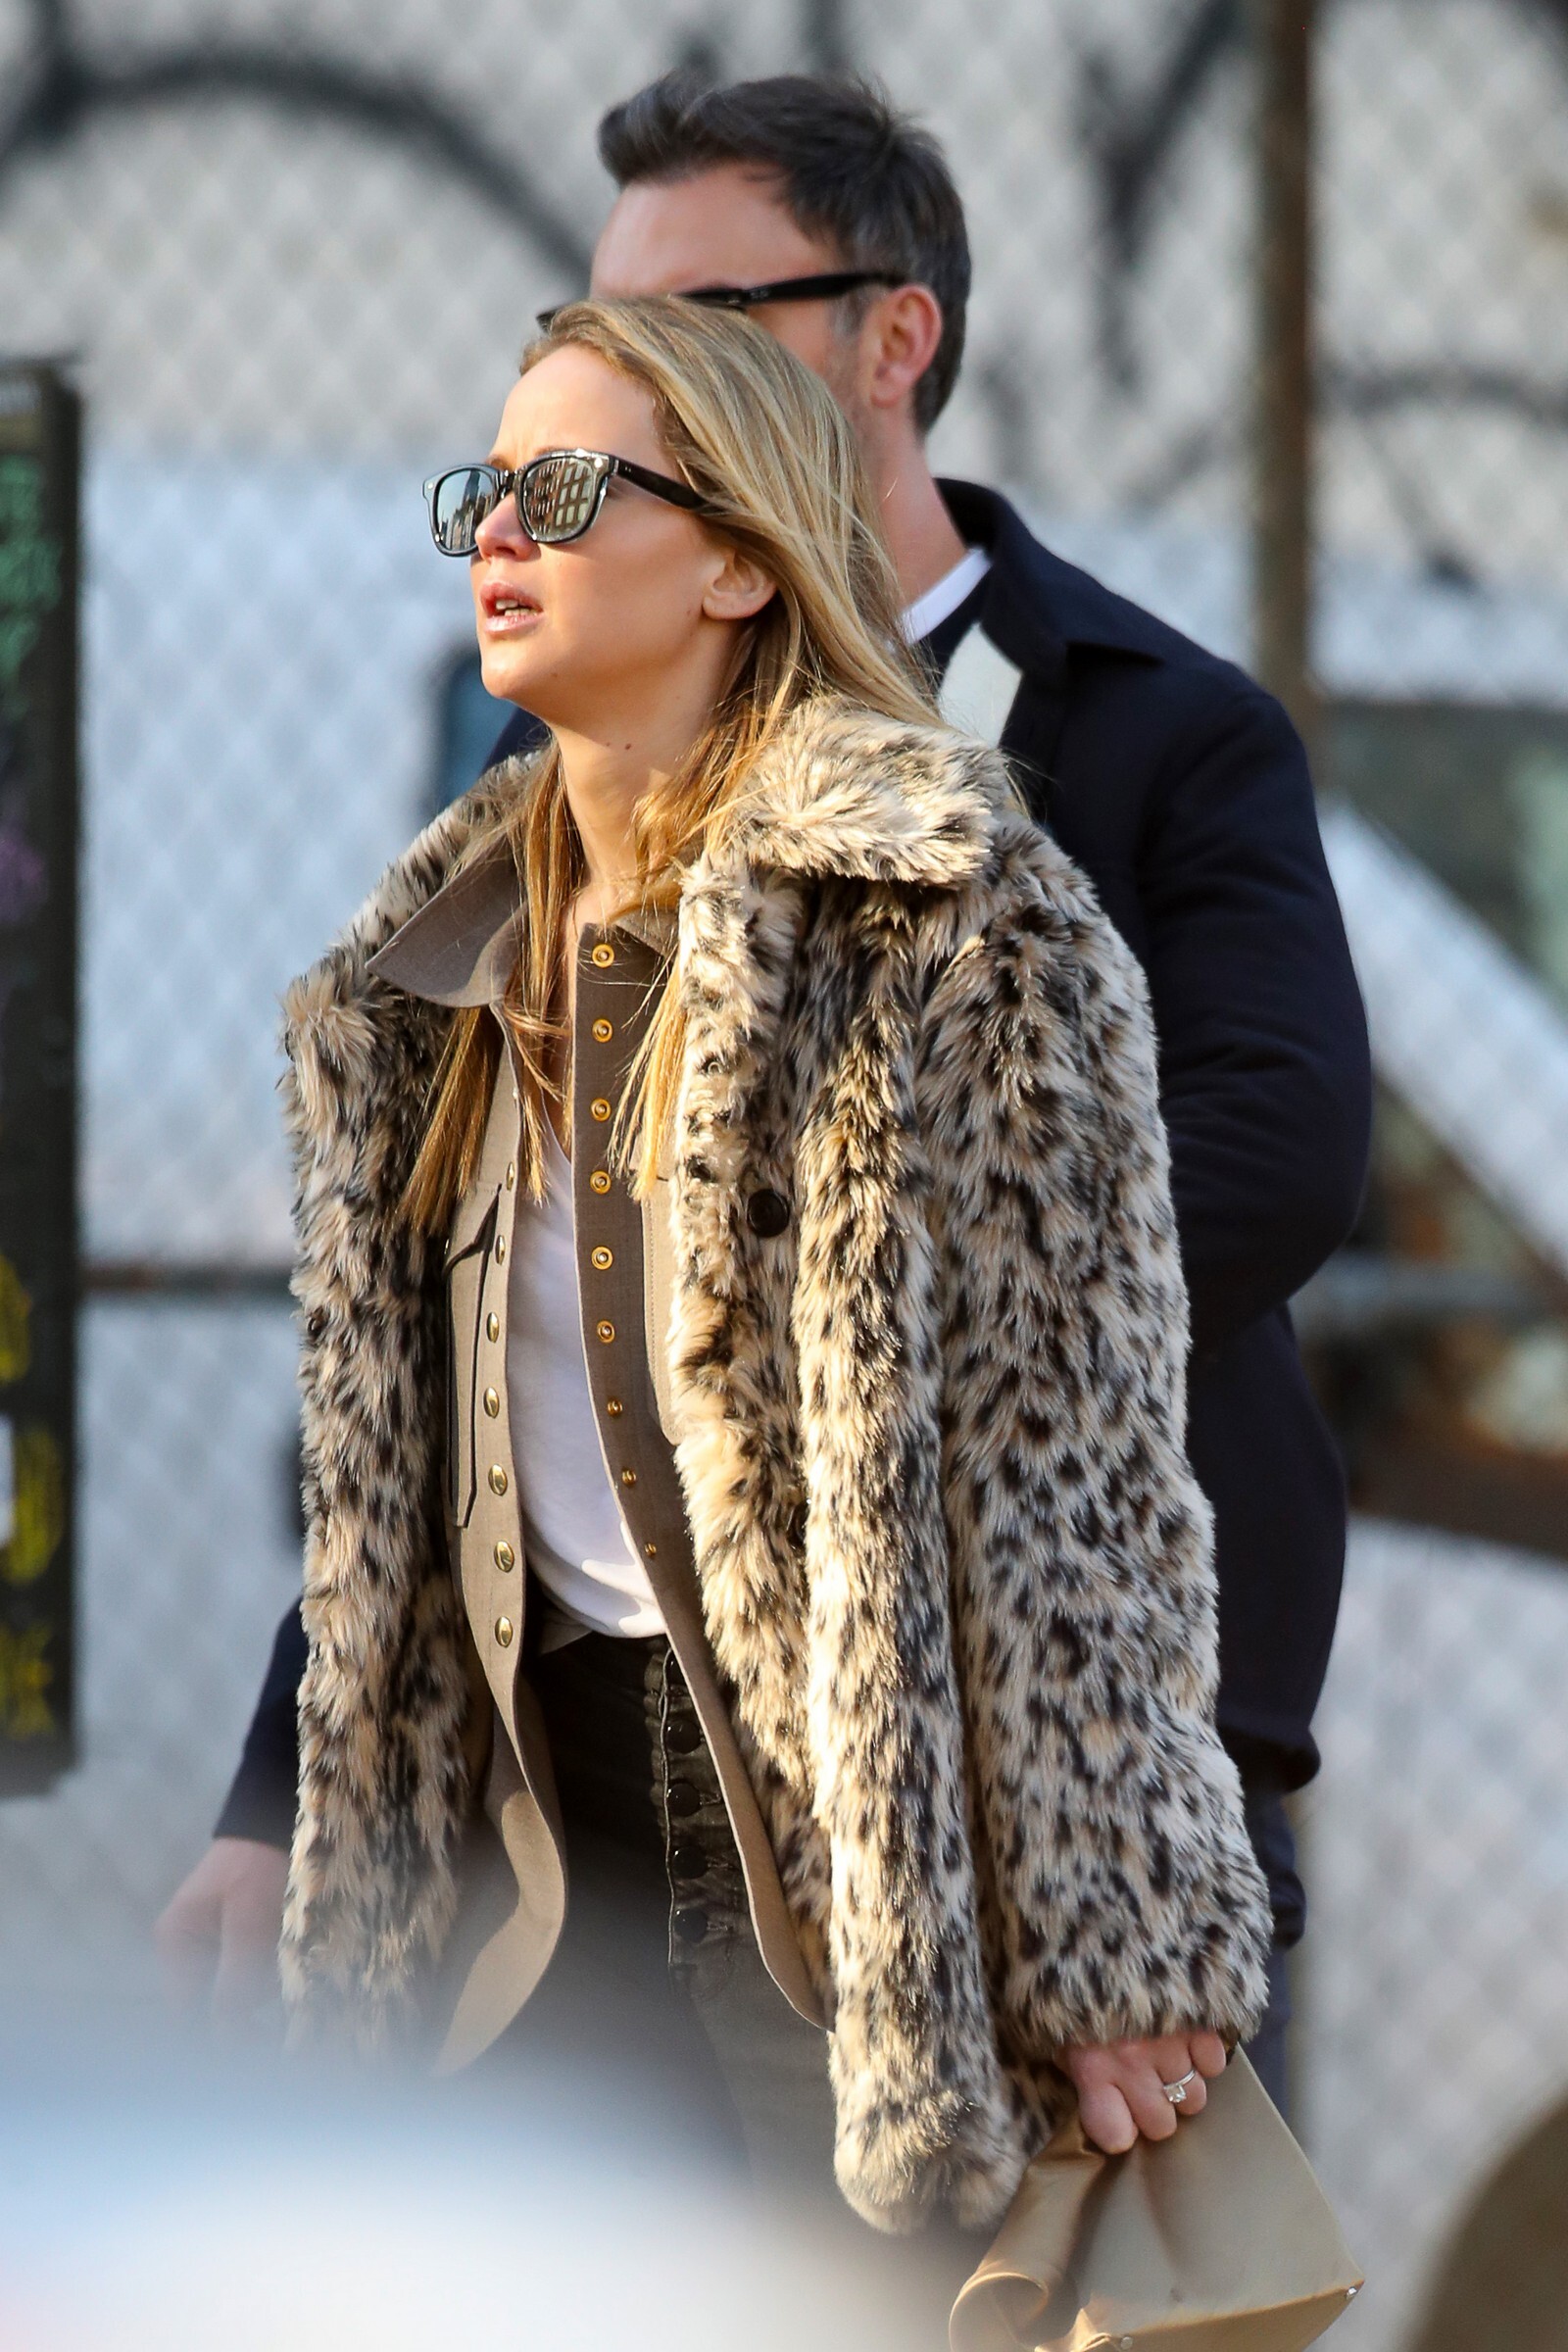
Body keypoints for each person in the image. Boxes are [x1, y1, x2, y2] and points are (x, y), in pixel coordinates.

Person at [163, 74, 1371, 2106]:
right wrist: (290, 1775)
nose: (627, 365)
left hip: (969, 1719)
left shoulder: (1138, 741)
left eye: (700, 316)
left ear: (891, 338)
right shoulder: (531, 813)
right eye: (598, 319)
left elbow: (1264, 1164)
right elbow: (456, 1365)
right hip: (587, 1764)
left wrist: (805, 1339)